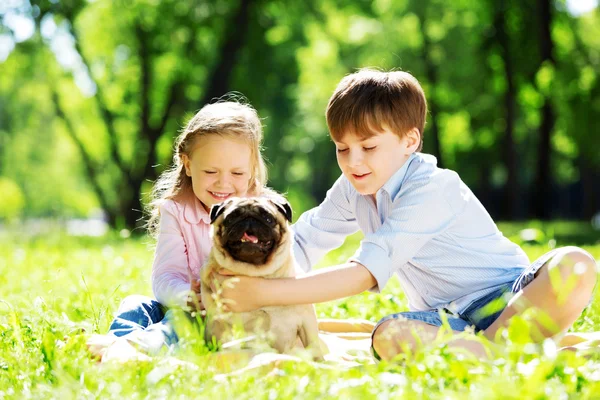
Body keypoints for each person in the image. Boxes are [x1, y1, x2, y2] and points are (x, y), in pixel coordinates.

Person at [211, 69, 598, 360]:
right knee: (389, 335)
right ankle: (505, 355)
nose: (353, 161)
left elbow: (365, 272)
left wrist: (264, 292)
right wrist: (240, 277)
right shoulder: (354, 188)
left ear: (409, 141)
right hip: (447, 321)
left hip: (511, 298)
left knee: (576, 263)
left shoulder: (434, 188)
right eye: (342, 149)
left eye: (368, 146)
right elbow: (306, 239)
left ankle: (493, 353)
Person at [87, 99, 270, 359]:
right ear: (187, 163)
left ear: (252, 169)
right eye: (210, 171)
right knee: (135, 304)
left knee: (179, 320)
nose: (224, 183)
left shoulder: (263, 215)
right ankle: (113, 346)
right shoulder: (177, 211)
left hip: (232, 316)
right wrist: (188, 296)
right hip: (187, 302)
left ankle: (133, 350)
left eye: (237, 173)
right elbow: (164, 277)